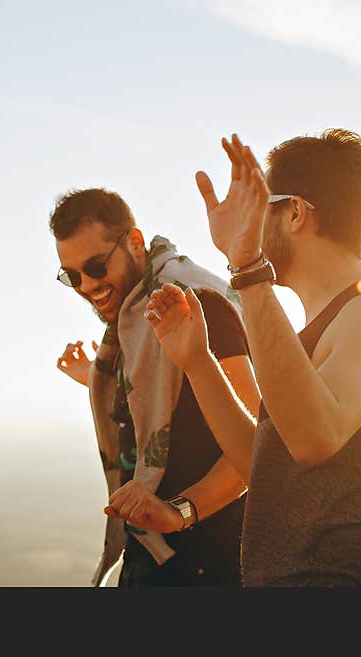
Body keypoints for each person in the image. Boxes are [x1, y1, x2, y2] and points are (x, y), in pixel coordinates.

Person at [119, 130, 361, 586]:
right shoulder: (319, 326)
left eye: (259, 209)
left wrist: (247, 268)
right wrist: (198, 363)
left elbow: (313, 438)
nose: (251, 225)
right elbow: (267, 467)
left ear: (296, 212)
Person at [51, 189, 260, 587]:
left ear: (133, 242)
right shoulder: (133, 321)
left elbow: (253, 447)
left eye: (95, 266)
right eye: (72, 276)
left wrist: (180, 512)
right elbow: (167, 405)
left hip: (212, 560)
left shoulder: (196, 304)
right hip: (152, 554)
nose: (86, 285)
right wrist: (97, 378)